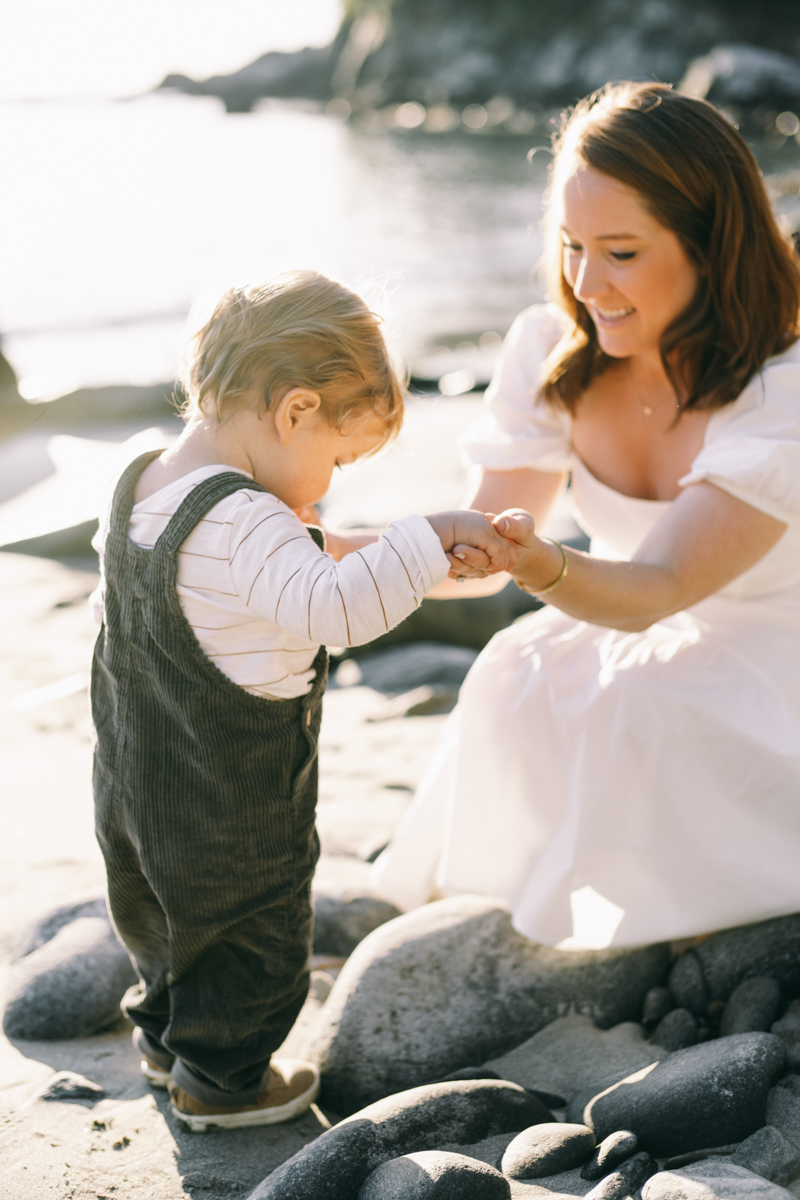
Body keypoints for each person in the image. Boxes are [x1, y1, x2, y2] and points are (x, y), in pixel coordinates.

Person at [370, 82, 800, 950]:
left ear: (712, 247)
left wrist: (546, 567)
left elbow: (661, 585)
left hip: (774, 648)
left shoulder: (783, 388)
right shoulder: (551, 353)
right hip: (621, 617)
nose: (587, 282)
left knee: (645, 701)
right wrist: (325, 558)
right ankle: (516, 928)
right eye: (571, 246)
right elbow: (477, 548)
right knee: (516, 669)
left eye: (622, 252)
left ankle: (672, 932)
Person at [89, 271, 514, 1131]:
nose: (326, 487)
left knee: (162, 921)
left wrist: (431, 568)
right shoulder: (249, 520)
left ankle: (170, 1044)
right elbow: (334, 606)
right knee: (254, 934)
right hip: (231, 796)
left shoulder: (144, 482)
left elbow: (274, 566)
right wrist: (425, 536)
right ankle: (226, 1082)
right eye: (337, 457)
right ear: (295, 411)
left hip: (136, 781)